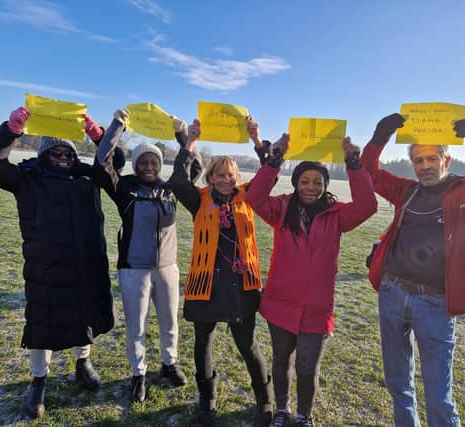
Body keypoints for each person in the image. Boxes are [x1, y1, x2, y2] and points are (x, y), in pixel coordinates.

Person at [360, 114, 465, 427]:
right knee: (398, 382)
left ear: (446, 158)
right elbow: (368, 173)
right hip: (393, 293)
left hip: (435, 303)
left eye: (431, 158)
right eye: (417, 160)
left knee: (439, 396)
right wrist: (378, 139)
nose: (424, 166)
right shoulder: (407, 191)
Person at [0, 107, 120, 419]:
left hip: (85, 261)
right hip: (47, 267)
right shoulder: (27, 177)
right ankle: (38, 380)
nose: (63, 157)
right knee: (44, 323)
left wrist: (99, 136)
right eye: (56, 152)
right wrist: (11, 130)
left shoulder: (86, 176)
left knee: (86, 315)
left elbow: (114, 164)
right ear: (44, 154)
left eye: (67, 151)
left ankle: (83, 363)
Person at [244, 118, 378, 427]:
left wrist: (355, 165)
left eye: (317, 182)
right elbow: (254, 198)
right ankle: (281, 410)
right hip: (280, 304)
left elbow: (368, 205)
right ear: (296, 183)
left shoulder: (337, 215)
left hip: (317, 308)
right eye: (305, 181)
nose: (311, 187)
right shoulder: (281, 209)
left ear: (325, 186)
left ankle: (304, 415)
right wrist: (274, 159)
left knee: (307, 368)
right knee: (281, 363)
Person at [169, 118, 272, 427]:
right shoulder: (198, 200)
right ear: (210, 178)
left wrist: (257, 137)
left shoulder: (247, 198)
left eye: (231, 175)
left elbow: (268, 174)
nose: (226, 179)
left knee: (248, 345)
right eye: (220, 175)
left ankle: (265, 401)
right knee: (203, 343)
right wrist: (190, 142)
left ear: (237, 178)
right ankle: (207, 399)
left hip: (242, 285)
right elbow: (176, 180)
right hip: (206, 284)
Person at [93, 109, 201, 402]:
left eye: (154, 162)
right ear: (136, 165)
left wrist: (183, 135)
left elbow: (194, 168)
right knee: (137, 326)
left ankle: (169, 364)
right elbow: (102, 163)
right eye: (144, 162)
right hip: (134, 270)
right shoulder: (125, 188)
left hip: (167, 268)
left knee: (169, 322)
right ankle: (138, 373)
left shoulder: (171, 189)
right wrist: (118, 126)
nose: (150, 166)